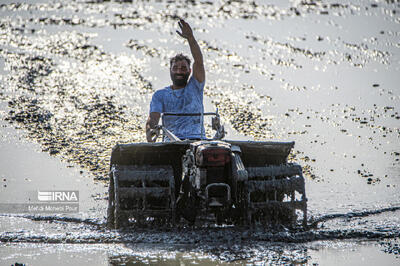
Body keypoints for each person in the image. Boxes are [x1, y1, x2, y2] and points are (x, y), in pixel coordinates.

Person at [145, 19, 205, 142]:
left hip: (198, 141)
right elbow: (153, 118)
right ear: (170, 70)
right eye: (176, 68)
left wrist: (190, 38)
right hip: (171, 143)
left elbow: (199, 62)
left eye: (183, 68)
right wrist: (150, 131)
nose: (179, 71)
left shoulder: (196, 86)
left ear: (190, 71)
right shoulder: (160, 95)